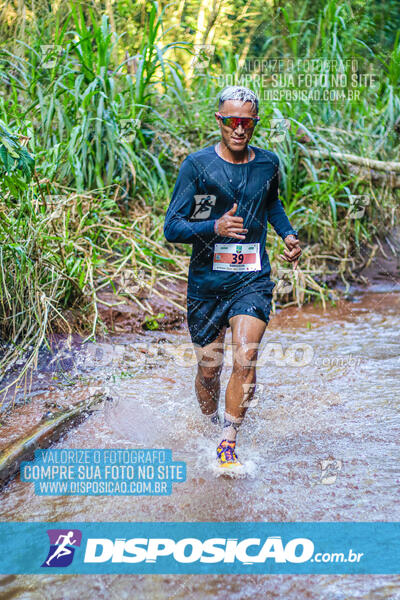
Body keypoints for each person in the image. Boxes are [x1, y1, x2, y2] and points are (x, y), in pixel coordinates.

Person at [164, 85, 301, 468]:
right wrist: (215, 227)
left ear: (255, 123)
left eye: (246, 122)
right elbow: (172, 227)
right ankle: (210, 424)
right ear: (219, 122)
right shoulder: (197, 166)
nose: (239, 130)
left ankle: (228, 439)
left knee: (246, 355)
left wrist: (287, 234)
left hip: (252, 279)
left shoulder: (268, 164)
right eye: (231, 122)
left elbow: (271, 202)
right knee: (210, 369)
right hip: (207, 284)